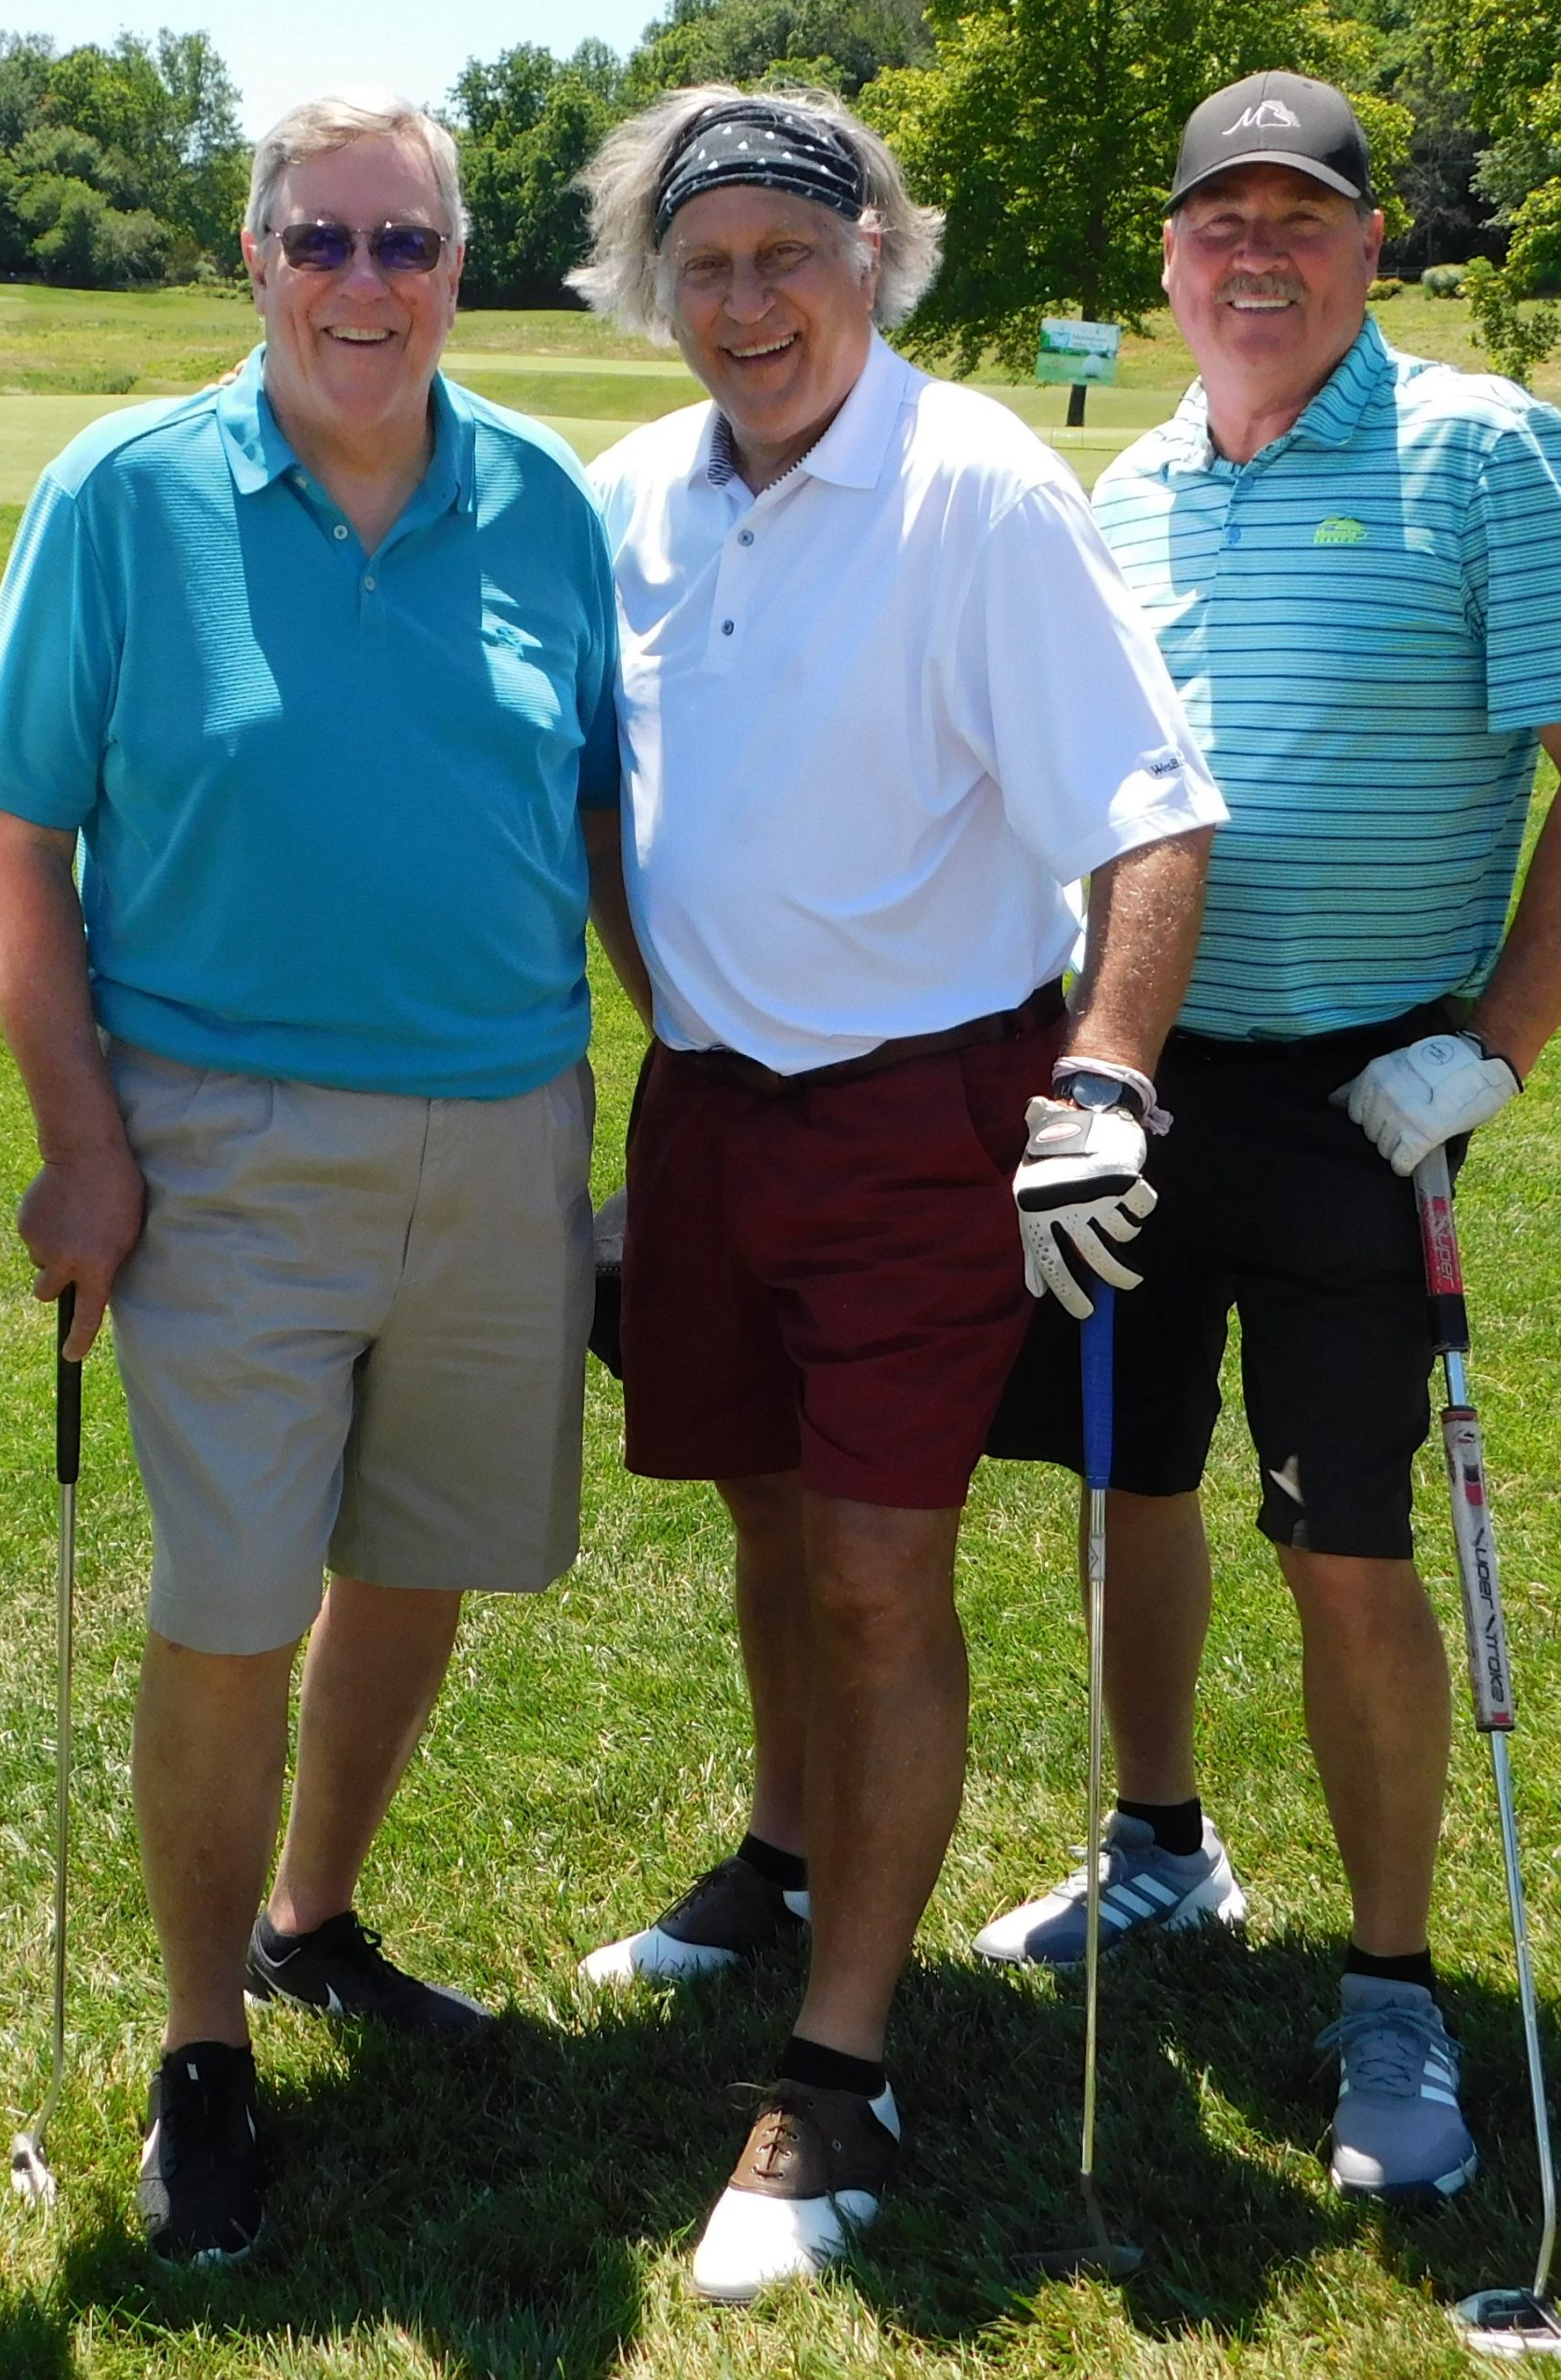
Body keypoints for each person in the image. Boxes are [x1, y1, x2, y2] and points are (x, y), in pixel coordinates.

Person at [979, 73, 1561, 2205]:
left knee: (1346, 1545)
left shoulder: (1477, 445)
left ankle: (1388, 1976)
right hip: (1143, 1077)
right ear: (1168, 265)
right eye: (1217, 226)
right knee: (1126, 1485)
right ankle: (1158, 1844)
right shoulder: (1131, 492)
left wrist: (1489, 1049)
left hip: (1367, 1094)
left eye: (1298, 220)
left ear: (1366, 248)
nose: (1252, 257)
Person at [563, 85, 1224, 2299]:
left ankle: (841, 2059)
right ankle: (780, 1843)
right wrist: (675, 995)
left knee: (871, 1562)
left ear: (872, 263)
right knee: (760, 1507)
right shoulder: (631, 491)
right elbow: (597, 784)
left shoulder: (976, 490)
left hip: (922, 1104)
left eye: (785, 256)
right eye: (703, 265)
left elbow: (1147, 807)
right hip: (710, 1104)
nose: (742, 303)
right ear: (657, 289)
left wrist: (1105, 1066)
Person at [0, 89, 627, 2266]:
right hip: (216, 1136)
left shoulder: (540, 498)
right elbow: (14, 841)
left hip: (506, 1115)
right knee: (233, 1598)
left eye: (406, 244)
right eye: (320, 242)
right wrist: (75, 1140)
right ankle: (197, 2044)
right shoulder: (121, 495)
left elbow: (600, 814)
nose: (364, 284)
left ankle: (309, 1918)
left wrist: (693, 1075)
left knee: (417, 1557)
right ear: (253, 258)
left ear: (462, 262)